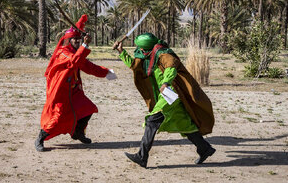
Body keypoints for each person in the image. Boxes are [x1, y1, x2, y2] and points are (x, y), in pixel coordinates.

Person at [113, 33, 215, 168]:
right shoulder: (147, 55)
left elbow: (171, 67)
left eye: (140, 48)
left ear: (146, 48)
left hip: (171, 93)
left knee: (152, 120)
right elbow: (134, 65)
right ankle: (204, 148)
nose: (139, 51)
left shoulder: (163, 53)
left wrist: (166, 82)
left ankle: (142, 156)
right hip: (164, 95)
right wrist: (121, 51)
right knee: (185, 124)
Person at [35, 14, 116, 152]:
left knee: (88, 108)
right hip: (60, 91)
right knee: (57, 118)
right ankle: (40, 138)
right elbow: (74, 61)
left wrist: (106, 72)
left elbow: (88, 66)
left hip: (73, 90)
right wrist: (84, 45)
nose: (78, 41)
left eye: (79, 39)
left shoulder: (75, 52)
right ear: (69, 40)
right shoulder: (63, 52)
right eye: (75, 39)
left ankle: (78, 132)